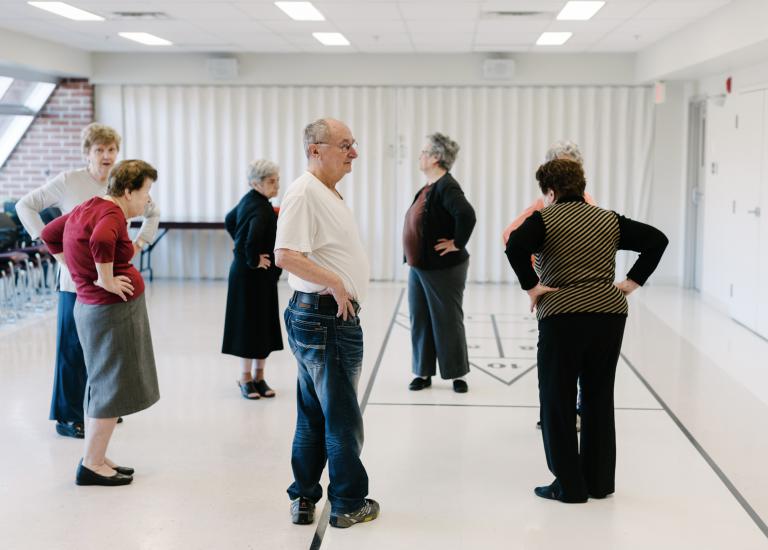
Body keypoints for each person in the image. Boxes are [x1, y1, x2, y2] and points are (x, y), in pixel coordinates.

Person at [505, 159, 668, 503]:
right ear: (580, 185)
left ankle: (569, 485)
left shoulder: (545, 218)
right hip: (609, 314)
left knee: (557, 397)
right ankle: (598, 482)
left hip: (562, 315)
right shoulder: (608, 219)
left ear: (550, 192)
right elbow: (657, 240)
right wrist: (631, 282)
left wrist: (533, 287)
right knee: (597, 396)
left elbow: (515, 246)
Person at [16, 123, 159, 439]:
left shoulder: (123, 182)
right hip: (74, 280)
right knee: (72, 349)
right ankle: (69, 415)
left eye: (111, 150)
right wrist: (57, 253)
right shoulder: (69, 181)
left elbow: (153, 212)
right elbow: (24, 206)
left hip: (107, 281)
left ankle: (102, 407)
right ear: (88, 153)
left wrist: (139, 244)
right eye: (100, 150)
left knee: (104, 351)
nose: (107, 156)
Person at [275, 118, 379, 529]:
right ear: (315, 149)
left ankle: (304, 497)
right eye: (344, 145)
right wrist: (337, 282)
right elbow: (285, 254)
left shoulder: (325, 192)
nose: (353, 152)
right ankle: (348, 502)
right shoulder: (304, 193)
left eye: (353, 144)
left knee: (313, 414)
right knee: (341, 417)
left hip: (320, 319)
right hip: (326, 319)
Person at [41, 160, 161, 486]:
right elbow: (102, 241)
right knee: (109, 386)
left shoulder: (90, 206)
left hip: (94, 308)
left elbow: (50, 233)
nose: (148, 199)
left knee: (101, 383)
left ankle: (95, 456)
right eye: (146, 191)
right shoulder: (111, 215)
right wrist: (103, 278)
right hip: (109, 312)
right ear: (127, 190)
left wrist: (75, 268)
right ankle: (92, 464)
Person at [502, 140, 595, 430]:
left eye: (570, 166)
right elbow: (510, 237)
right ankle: (555, 414)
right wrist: (535, 278)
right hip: (553, 293)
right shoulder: (543, 204)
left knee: (582, 358)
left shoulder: (588, 201)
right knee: (554, 359)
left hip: (583, 291)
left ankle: (578, 411)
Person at [403, 132, 476, 393]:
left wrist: (457, 243)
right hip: (420, 266)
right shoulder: (430, 186)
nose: (420, 156)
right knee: (419, 318)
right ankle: (422, 373)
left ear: (436, 158)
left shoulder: (447, 186)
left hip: (444, 268)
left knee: (447, 320)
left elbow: (466, 214)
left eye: (424, 152)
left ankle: (457, 374)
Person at [222, 160, 284, 399]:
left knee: (261, 326)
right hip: (251, 277)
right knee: (250, 328)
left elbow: (229, 219)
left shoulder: (251, 200)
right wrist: (253, 259)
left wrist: (249, 257)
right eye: (271, 181)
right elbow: (248, 241)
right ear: (255, 183)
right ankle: (246, 378)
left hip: (253, 278)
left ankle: (259, 377)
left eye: (277, 180)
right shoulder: (261, 209)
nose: (276, 185)